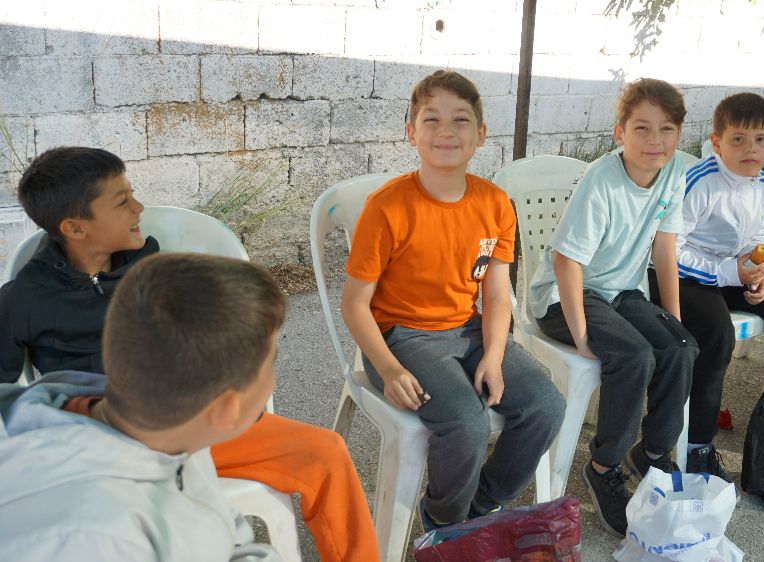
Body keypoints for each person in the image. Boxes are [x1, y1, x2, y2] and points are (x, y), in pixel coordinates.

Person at [0, 147, 377, 562]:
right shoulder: (22, 300)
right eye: (122, 201)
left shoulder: (149, 265)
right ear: (75, 228)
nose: (138, 208)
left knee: (326, 452)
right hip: (110, 433)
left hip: (190, 422)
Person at [341, 70, 565, 531]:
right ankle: (444, 523)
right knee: (467, 421)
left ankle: (480, 508)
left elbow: (496, 292)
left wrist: (495, 356)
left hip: (468, 330)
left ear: (481, 134)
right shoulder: (387, 207)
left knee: (546, 405)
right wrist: (388, 368)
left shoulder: (495, 204)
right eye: (432, 120)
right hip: (401, 339)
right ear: (411, 132)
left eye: (460, 120)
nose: (446, 131)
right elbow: (354, 304)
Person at [0, 253, 286, 560]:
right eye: (271, 362)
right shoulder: (90, 539)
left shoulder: (169, 432)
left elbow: (224, 538)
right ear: (227, 409)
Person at [528, 78, 697, 537]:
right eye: (642, 128)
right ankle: (603, 466)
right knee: (633, 355)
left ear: (679, 135)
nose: (655, 140)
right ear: (619, 133)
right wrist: (582, 335)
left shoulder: (674, 170)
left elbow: (665, 246)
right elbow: (566, 261)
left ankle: (652, 453)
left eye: (666, 129)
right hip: (565, 296)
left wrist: (672, 320)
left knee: (681, 348)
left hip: (621, 292)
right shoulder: (602, 179)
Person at [650, 93, 764, 471]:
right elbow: (667, 250)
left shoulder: (762, 185)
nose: (751, 149)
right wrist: (729, 273)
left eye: (760, 140)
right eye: (738, 139)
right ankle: (697, 444)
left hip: (732, 271)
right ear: (717, 142)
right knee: (717, 333)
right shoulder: (700, 182)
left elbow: (758, 236)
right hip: (681, 276)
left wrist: (763, 273)